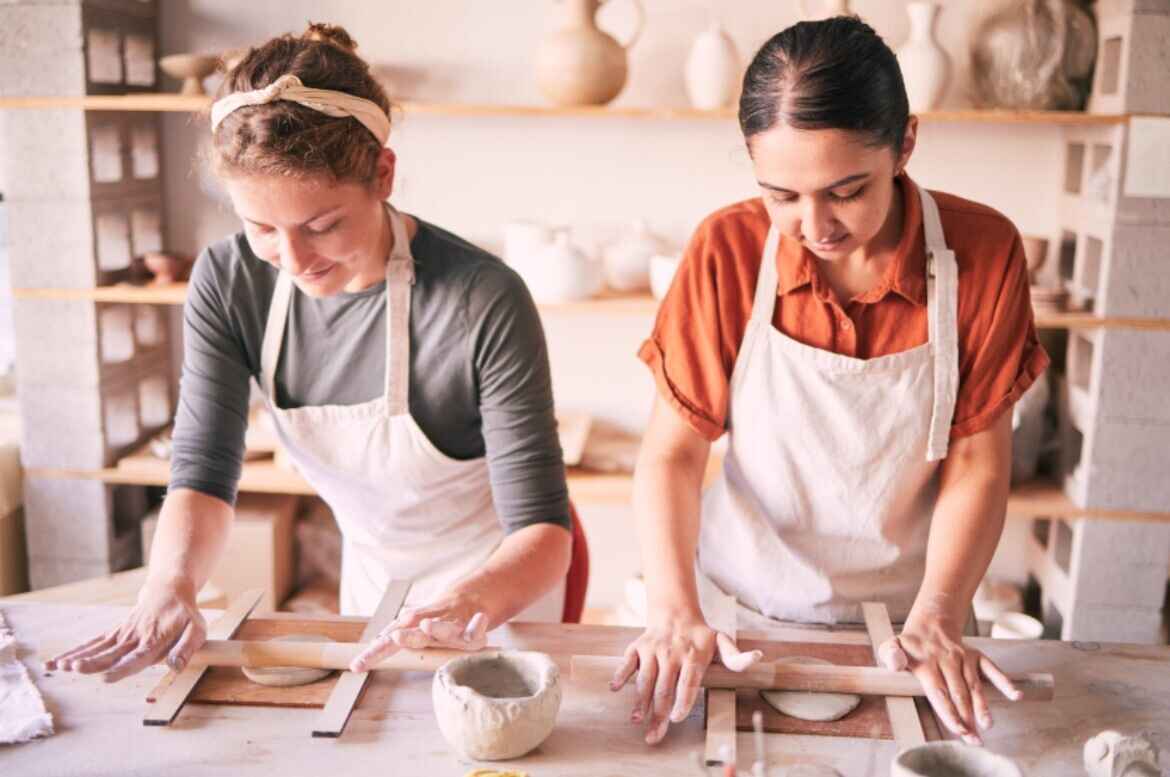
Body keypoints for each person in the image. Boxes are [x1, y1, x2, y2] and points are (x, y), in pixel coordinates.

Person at [47, 23, 574, 682]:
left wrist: (465, 603)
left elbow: (545, 535)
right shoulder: (230, 279)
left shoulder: (481, 298)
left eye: (322, 225)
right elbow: (203, 471)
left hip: (498, 597)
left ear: (383, 173)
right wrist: (169, 584)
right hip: (372, 589)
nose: (292, 261)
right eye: (261, 228)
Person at [613, 16, 1049, 746]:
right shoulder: (728, 248)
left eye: (846, 190)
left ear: (905, 143)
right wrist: (673, 609)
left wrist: (940, 613)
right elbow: (673, 454)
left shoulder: (982, 252)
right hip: (743, 612)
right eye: (781, 195)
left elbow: (978, 459)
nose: (814, 225)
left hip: (914, 623)